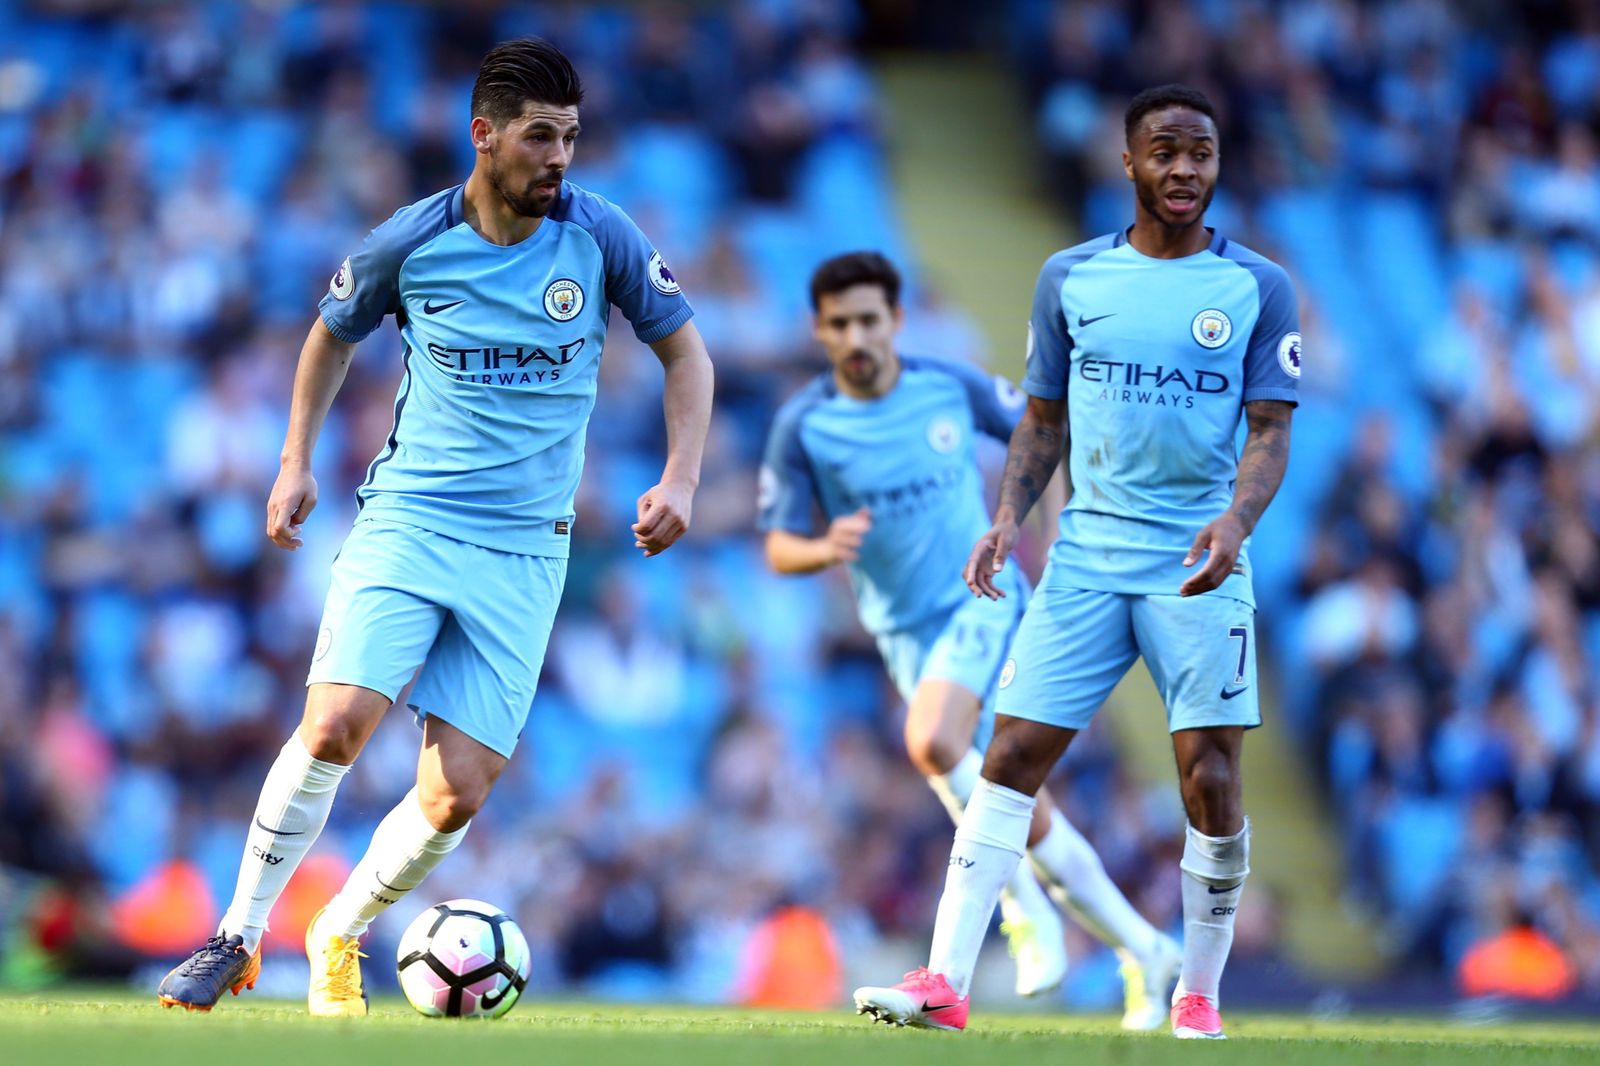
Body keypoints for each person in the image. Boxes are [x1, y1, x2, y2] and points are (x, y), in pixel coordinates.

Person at [157, 37, 713, 1016]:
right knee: (335, 723)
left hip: (526, 549)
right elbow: (329, 336)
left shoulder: (602, 237)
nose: (559, 157)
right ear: (483, 135)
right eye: (539, 137)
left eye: (570, 137)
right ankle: (238, 934)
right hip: (412, 519)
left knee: (457, 792)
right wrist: (293, 461)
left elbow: (688, 356)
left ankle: (339, 929)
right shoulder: (411, 240)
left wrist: (681, 477)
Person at [853, 84, 1299, 1039]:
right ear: (1128, 162)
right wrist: (1007, 518)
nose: (1184, 169)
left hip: (1197, 560)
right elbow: (1042, 419)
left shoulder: (1257, 286)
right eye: (1165, 151)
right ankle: (944, 982)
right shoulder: (1071, 277)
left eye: (1201, 153)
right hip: (1089, 556)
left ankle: (1197, 995)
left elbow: (1269, 430)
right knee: (1009, 755)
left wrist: (1236, 522)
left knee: (1210, 779)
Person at [761, 252, 1180, 1028]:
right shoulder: (806, 426)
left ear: (896, 321)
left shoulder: (947, 386)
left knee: (930, 740)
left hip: (979, 598)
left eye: (870, 320)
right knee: (1015, 806)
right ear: (820, 330)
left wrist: (1054, 536)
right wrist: (823, 549)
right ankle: (1145, 948)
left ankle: (1007, 918)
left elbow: (1042, 429)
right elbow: (780, 545)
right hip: (904, 638)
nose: (857, 336)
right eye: (841, 323)